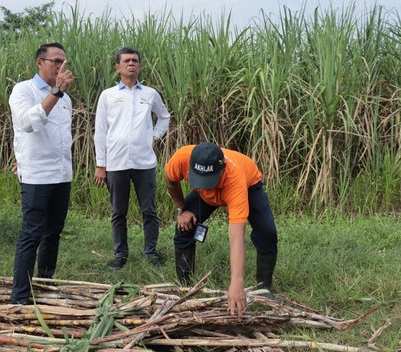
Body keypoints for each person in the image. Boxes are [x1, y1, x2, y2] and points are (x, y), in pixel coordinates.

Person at [164, 142, 278, 316]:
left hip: (249, 185)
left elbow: (236, 235)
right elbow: (171, 182)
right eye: (198, 180)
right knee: (184, 228)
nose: (201, 186)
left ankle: (264, 289)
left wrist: (236, 283)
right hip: (207, 197)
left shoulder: (234, 179)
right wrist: (182, 209)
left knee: (267, 233)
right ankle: (185, 287)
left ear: (222, 171)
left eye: (206, 181)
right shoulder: (181, 158)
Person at [94, 47, 171, 270]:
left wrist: (154, 136)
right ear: (117, 67)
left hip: (144, 162)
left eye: (135, 60)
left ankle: (151, 252)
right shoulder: (108, 96)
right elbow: (100, 130)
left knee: (149, 210)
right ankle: (120, 255)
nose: (131, 64)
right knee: (118, 212)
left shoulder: (150, 94)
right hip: (116, 163)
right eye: (126, 61)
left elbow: (164, 117)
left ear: (139, 66)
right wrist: (101, 164)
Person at [9, 42, 74, 304]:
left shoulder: (66, 98)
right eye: (55, 61)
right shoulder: (24, 90)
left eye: (63, 62)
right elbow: (27, 124)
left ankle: (45, 282)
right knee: (31, 234)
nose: (60, 67)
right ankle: (20, 296)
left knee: (53, 233)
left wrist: (59, 93)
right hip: (36, 176)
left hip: (61, 175)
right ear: (39, 62)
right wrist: (56, 92)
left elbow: (60, 139)